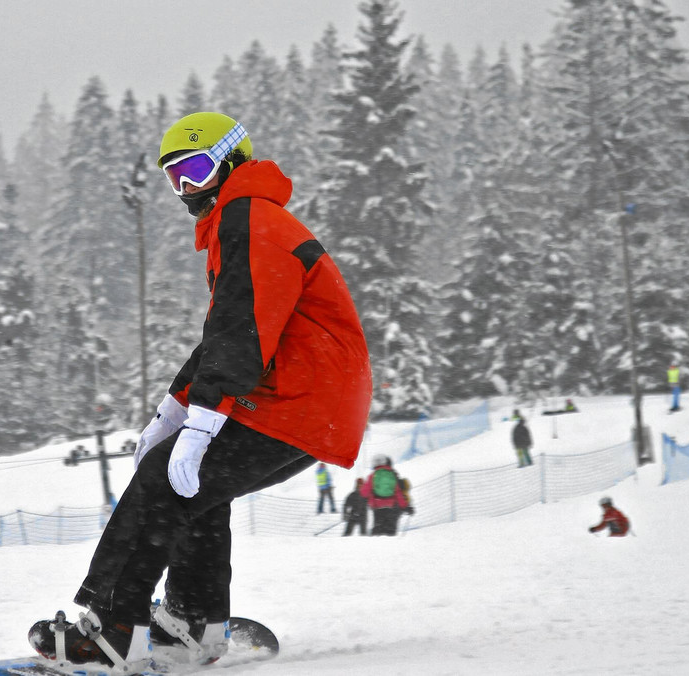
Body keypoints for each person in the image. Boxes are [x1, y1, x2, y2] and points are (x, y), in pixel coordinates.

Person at [28, 112, 372, 671]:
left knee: (165, 481)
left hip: (301, 398)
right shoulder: (248, 221)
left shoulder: (249, 218)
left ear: (233, 159)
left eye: (195, 169)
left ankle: (112, 630)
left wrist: (202, 423)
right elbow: (224, 334)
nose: (187, 188)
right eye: (175, 177)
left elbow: (242, 331)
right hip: (312, 401)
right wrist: (173, 412)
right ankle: (192, 622)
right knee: (190, 486)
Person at [360, 456, 411, 536]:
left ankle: (375, 541)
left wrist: (366, 498)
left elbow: (364, 492)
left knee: (378, 526)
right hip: (390, 505)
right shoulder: (392, 475)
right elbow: (398, 493)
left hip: (377, 506)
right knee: (390, 528)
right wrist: (405, 506)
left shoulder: (373, 476)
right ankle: (390, 540)